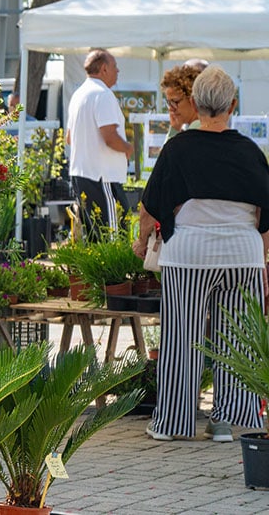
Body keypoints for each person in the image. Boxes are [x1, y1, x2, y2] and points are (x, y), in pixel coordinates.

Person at [134, 66, 269, 443]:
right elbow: (265, 216)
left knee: (182, 337)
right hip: (243, 256)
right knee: (236, 342)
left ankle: (173, 424)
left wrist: (141, 241)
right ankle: (228, 421)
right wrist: (261, 261)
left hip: (189, 254)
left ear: (194, 102)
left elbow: (151, 206)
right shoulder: (250, 152)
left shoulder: (178, 149)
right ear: (233, 105)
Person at [65, 49, 131, 240]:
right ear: (104, 69)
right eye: (115, 67)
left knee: (94, 237)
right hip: (102, 176)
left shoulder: (78, 94)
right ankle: (114, 272)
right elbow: (109, 136)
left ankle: (97, 271)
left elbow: (70, 138)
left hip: (82, 174)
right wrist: (127, 148)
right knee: (113, 236)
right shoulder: (103, 94)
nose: (117, 71)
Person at [161, 64, 202, 139]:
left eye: (175, 102)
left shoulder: (192, 136)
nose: (171, 108)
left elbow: (169, 150)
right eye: (169, 103)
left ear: (193, 100)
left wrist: (173, 131)